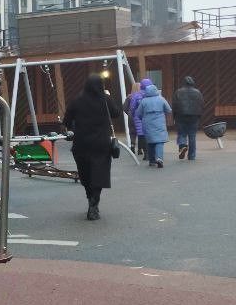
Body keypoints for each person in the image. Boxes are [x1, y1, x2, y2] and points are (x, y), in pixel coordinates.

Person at [62, 73, 122, 220]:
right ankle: (94, 203)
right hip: (101, 144)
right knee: (99, 174)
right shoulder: (105, 99)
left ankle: (90, 198)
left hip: (81, 144)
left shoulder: (77, 100)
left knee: (86, 174)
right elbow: (116, 113)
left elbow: (66, 121)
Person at [136, 81, 172, 167]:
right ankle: (159, 158)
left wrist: (143, 118)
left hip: (147, 123)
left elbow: (138, 113)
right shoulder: (161, 99)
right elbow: (168, 110)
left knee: (150, 142)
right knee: (159, 141)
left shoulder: (144, 101)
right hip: (159, 123)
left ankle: (152, 160)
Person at [172, 75, 204, 161]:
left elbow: (174, 105)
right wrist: (199, 115)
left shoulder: (178, 92)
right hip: (194, 116)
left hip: (180, 116)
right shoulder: (198, 92)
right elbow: (201, 104)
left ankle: (182, 145)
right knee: (192, 136)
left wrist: (174, 116)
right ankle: (191, 156)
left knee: (181, 133)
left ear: (184, 83)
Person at [126, 79, 149, 159]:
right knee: (141, 133)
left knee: (133, 132)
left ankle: (132, 146)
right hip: (141, 117)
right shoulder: (145, 95)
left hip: (132, 117)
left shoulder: (130, 97)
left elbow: (125, 107)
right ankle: (140, 150)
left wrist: (129, 113)